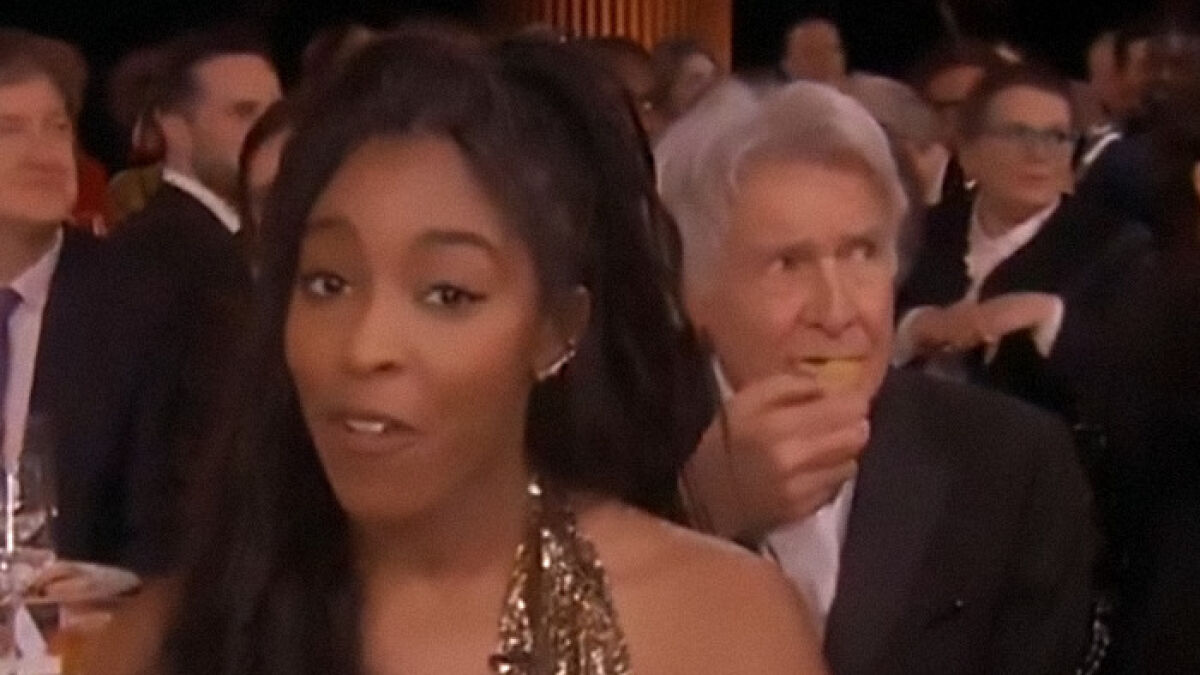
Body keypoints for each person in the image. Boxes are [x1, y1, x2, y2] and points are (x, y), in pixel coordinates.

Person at [88, 28, 827, 675]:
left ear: (555, 330)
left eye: (448, 294)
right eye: (328, 283)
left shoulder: (717, 624)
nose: (366, 347)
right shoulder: (168, 641)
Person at [657, 79, 1095, 674]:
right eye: (788, 264)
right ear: (693, 290)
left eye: (862, 254)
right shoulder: (618, 463)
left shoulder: (1013, 465)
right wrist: (702, 516)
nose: (838, 312)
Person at [0, 28, 186, 574]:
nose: (46, 154)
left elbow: (170, 532)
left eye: (57, 127)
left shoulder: (143, 307)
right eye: (9, 128)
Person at [897, 65, 1153, 436]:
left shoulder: (1117, 247)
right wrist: (917, 327)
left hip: (1045, 452)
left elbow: (1136, 387)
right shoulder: (920, 231)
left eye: (1056, 137)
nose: (1039, 154)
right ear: (968, 151)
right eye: (1017, 134)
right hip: (911, 441)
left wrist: (1049, 317)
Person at [779, 16, 849, 89]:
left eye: (830, 50)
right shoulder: (778, 94)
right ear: (787, 64)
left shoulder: (856, 89)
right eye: (811, 53)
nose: (821, 61)